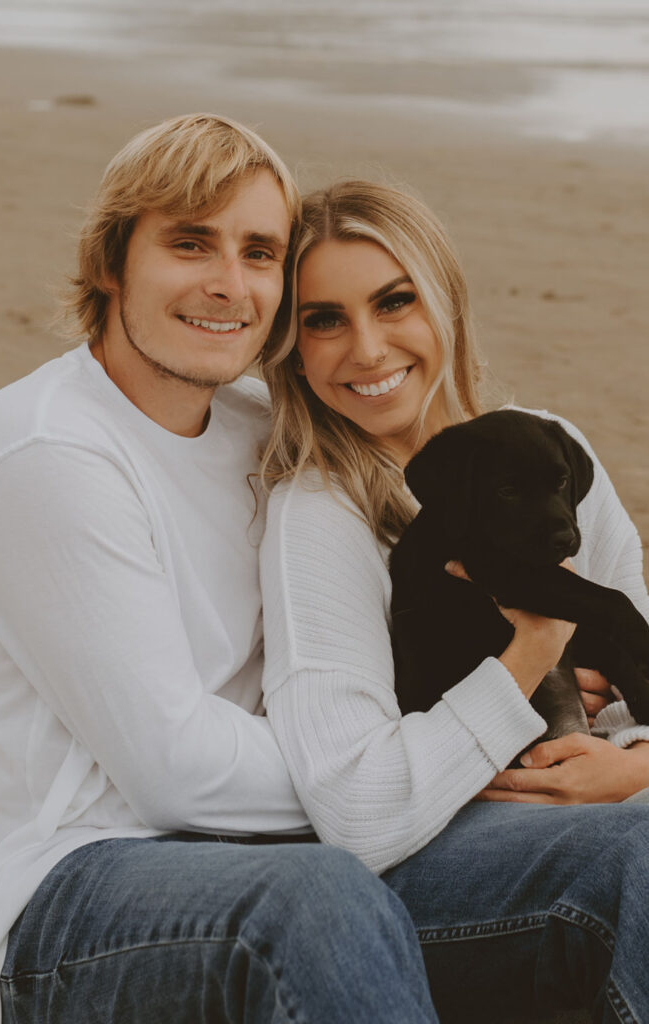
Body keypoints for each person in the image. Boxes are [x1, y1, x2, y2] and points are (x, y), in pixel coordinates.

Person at [0, 119, 441, 1024]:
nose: (227, 283)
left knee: (614, 855)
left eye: (259, 253)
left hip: (287, 844)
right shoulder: (47, 452)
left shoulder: (260, 429)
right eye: (190, 242)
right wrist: (390, 764)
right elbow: (175, 770)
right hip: (61, 900)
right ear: (110, 263)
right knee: (314, 903)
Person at [259, 179, 649, 1021]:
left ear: (444, 301)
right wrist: (533, 652)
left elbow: (633, 666)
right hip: (434, 863)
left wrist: (627, 770)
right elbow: (361, 812)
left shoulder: (551, 448)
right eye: (323, 319)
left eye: (393, 301)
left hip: (609, 805)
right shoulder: (318, 515)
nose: (365, 348)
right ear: (290, 346)